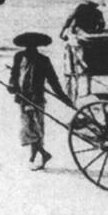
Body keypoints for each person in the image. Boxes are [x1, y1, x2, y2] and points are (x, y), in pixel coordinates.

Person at [6, 32, 74, 170]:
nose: (31, 48)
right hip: (23, 98)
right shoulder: (19, 57)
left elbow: (53, 81)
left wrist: (64, 99)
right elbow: (14, 75)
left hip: (37, 99)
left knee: (36, 128)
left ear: (37, 46)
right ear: (25, 46)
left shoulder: (43, 60)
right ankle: (38, 156)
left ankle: (40, 155)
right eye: (28, 46)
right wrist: (12, 86)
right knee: (30, 128)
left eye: (33, 46)